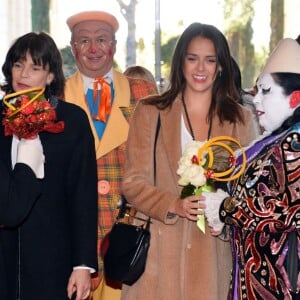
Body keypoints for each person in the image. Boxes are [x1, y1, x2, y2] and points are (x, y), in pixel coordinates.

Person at [120, 23, 258, 300]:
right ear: (180, 61)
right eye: (192, 58)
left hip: (212, 258)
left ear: (220, 66)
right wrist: (173, 204)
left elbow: (249, 191)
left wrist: (222, 210)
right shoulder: (150, 112)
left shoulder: (241, 120)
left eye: (210, 60)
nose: (200, 68)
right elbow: (133, 183)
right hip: (156, 259)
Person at [64, 10, 158, 300]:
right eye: (84, 41)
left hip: (128, 235)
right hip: (75, 240)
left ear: (114, 46)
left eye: (101, 40)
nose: (93, 49)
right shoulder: (56, 95)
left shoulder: (144, 92)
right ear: (73, 48)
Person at [0, 32, 98, 300]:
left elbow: (83, 196)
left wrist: (82, 265)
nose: (24, 74)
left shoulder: (72, 120)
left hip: (53, 255)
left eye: (35, 67)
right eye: (18, 65)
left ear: (51, 75)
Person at [204, 38, 300, 299]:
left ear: (295, 98)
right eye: (257, 90)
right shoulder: (273, 140)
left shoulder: (295, 143)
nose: (256, 99)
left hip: (280, 281)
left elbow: (278, 211)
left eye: (266, 91)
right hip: (258, 274)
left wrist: (223, 208)